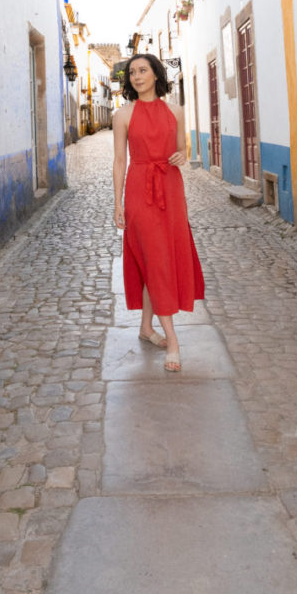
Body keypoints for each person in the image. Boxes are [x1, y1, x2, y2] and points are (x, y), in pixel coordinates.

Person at [112, 52, 205, 372]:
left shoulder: (176, 111)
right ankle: (173, 340)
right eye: (131, 73)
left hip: (170, 189)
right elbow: (119, 160)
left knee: (161, 257)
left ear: (155, 75)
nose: (136, 77)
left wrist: (181, 156)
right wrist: (117, 201)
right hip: (140, 189)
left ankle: (146, 328)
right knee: (153, 258)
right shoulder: (123, 114)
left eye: (142, 70)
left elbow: (182, 148)